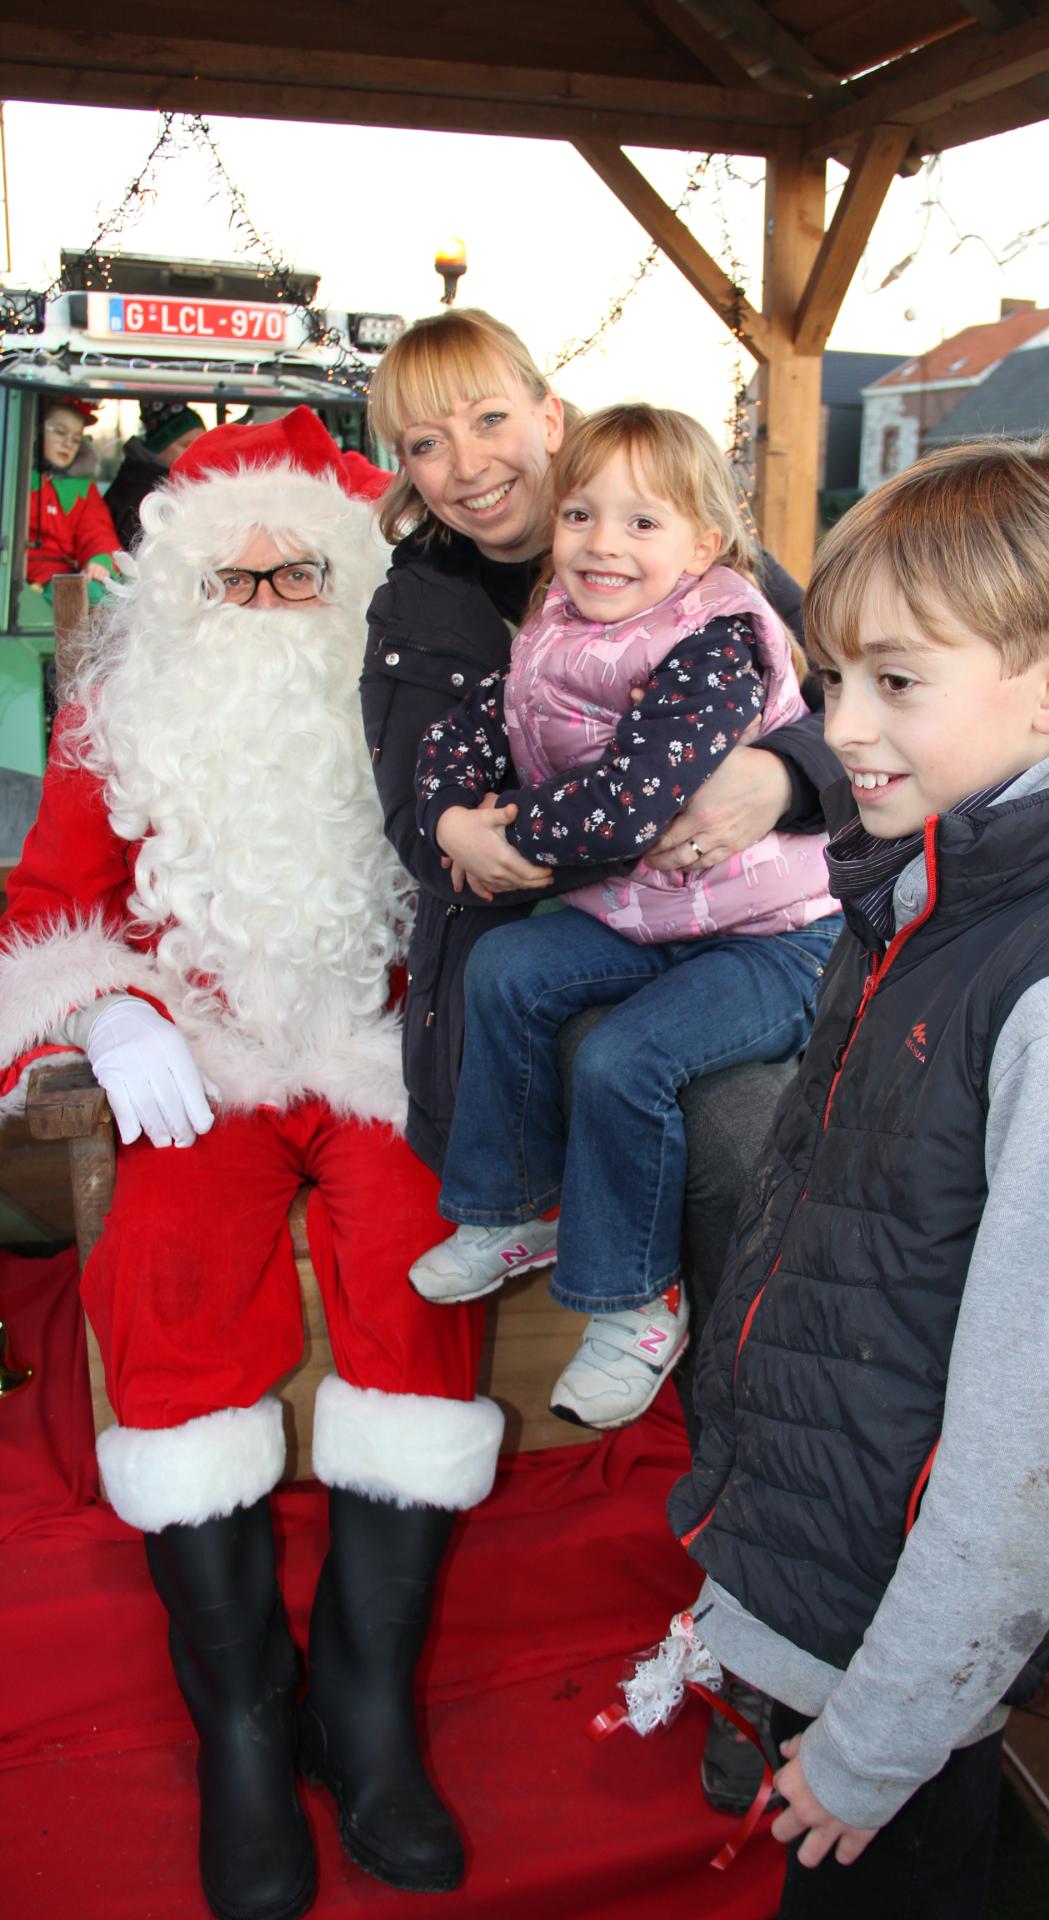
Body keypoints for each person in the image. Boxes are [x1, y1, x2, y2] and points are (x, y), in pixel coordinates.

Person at [668, 434, 1049, 1918]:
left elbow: (1033, 1458)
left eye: (896, 682)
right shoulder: (939, 889)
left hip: (896, 1671)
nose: (843, 729)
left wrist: (879, 1744)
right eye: (830, 678)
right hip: (838, 1587)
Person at [0, 407, 501, 1920]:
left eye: (302, 577)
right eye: (237, 580)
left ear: (350, 582)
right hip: (200, 1062)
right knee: (163, 1268)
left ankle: (362, 1702)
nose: (271, 605)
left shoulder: (417, 698)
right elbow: (43, 916)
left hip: (378, 1052)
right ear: (182, 591)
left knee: (425, 1254)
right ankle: (241, 1717)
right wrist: (106, 1008)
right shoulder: (119, 724)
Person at [408, 402, 841, 1431]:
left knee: (624, 1059)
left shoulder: (717, 640)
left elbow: (630, 805)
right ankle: (512, 1207)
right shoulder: (555, 625)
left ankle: (635, 1304)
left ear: (703, 544)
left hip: (773, 935)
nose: (603, 543)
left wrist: (512, 835)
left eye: (642, 523)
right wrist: (452, 816)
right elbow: (475, 727)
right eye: (582, 516)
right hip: (647, 913)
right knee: (507, 969)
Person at [361, 308, 837, 1176]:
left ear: (548, 418)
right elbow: (419, 808)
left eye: (490, 419)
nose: (467, 465)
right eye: (427, 443)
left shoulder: (689, 555)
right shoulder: (417, 610)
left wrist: (784, 777)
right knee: (592, 1049)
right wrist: (456, 827)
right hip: (538, 934)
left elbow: (853, 701)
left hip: (740, 912)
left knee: (721, 1121)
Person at [27, 397, 121, 603]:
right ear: (37, 431)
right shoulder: (16, 478)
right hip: (19, 574)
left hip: (63, 576)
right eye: (60, 432)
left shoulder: (83, 489)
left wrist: (99, 560)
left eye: (76, 439)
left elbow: (97, 531)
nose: (68, 444)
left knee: (101, 595)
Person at [104, 395, 206, 551]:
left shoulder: (181, 486)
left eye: (202, 444)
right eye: (187, 445)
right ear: (160, 448)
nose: (198, 453)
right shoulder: (140, 496)